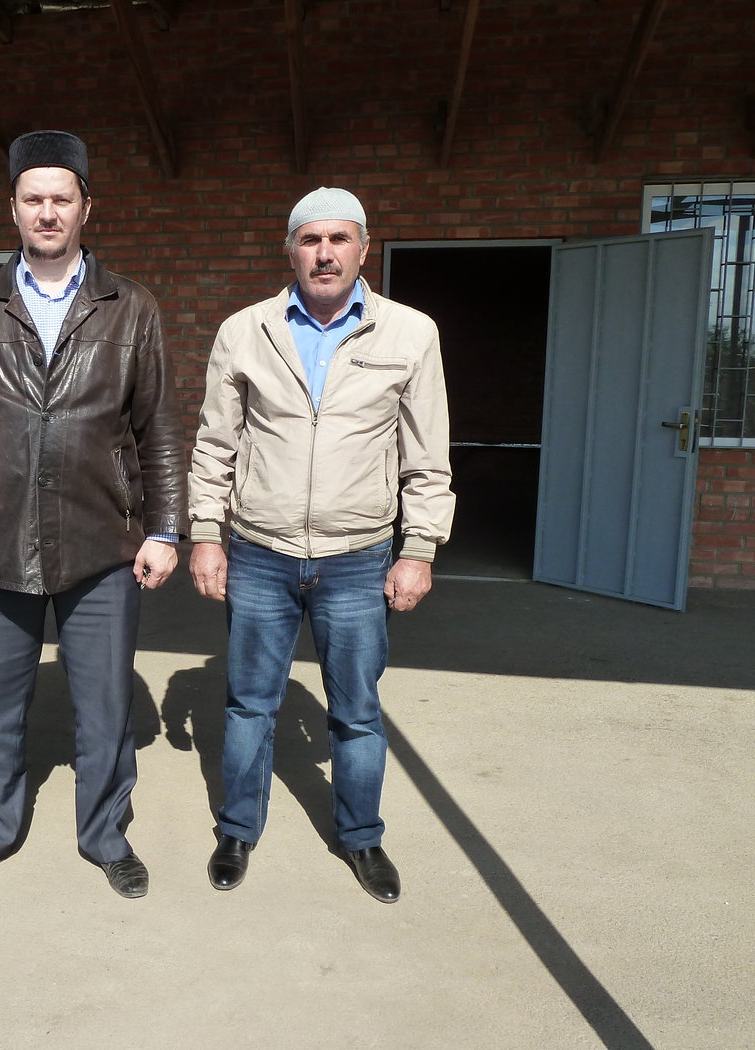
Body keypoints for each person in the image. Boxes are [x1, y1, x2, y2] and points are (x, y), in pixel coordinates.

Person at [0, 130, 186, 898]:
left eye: (61, 199)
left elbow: (159, 427)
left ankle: (106, 835)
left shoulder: (130, 307)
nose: (47, 212)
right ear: (13, 208)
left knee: (104, 703)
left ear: (85, 208)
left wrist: (165, 528)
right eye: (33, 199)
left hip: (101, 538)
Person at [187, 187, 455, 902]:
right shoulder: (246, 331)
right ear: (291, 250)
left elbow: (427, 457)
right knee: (249, 704)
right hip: (259, 553)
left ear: (364, 248)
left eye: (339, 239)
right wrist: (206, 534)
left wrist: (419, 548)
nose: (325, 253)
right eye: (310, 240)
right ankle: (237, 830)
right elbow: (214, 445)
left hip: (358, 558)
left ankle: (361, 838)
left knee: (357, 711)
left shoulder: (409, 334)